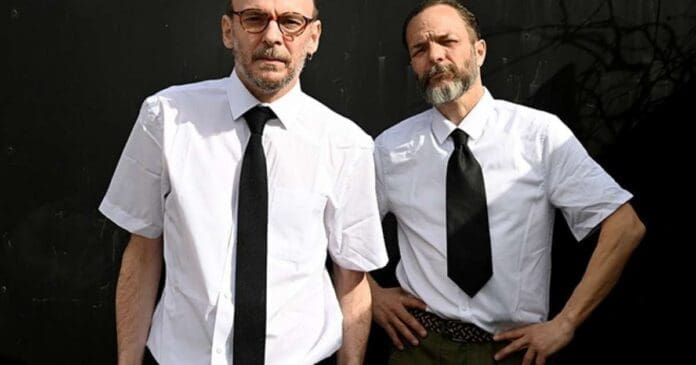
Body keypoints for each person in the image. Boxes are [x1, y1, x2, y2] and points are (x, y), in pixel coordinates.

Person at [99, 0, 388, 364]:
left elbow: (352, 279)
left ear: (313, 37)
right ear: (227, 30)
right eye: (254, 19)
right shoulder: (168, 118)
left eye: (290, 22)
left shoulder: (347, 144)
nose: (271, 36)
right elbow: (142, 252)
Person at [369, 1, 646, 364]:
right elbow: (338, 230)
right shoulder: (390, 149)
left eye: (447, 41)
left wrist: (566, 323)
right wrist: (371, 296)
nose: (435, 56)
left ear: (479, 51)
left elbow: (625, 226)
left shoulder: (540, 136)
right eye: (420, 49)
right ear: (412, 65)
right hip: (421, 347)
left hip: (513, 351)